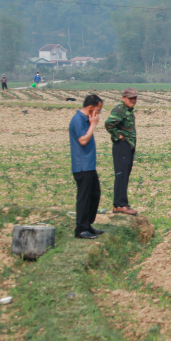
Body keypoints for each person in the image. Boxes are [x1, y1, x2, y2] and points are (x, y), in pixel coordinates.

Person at [69, 94, 104, 239]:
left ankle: (87, 224)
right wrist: (94, 124)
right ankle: (81, 229)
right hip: (82, 166)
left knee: (94, 194)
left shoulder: (85, 120)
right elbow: (83, 140)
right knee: (84, 197)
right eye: (98, 110)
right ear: (90, 108)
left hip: (89, 165)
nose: (98, 114)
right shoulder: (78, 120)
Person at [104, 87, 139, 215]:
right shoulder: (120, 109)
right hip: (122, 146)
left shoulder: (128, 110)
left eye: (134, 98)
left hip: (128, 145)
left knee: (124, 174)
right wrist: (117, 135)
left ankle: (119, 204)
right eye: (130, 98)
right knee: (121, 175)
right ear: (123, 98)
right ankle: (121, 204)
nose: (133, 100)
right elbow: (109, 123)